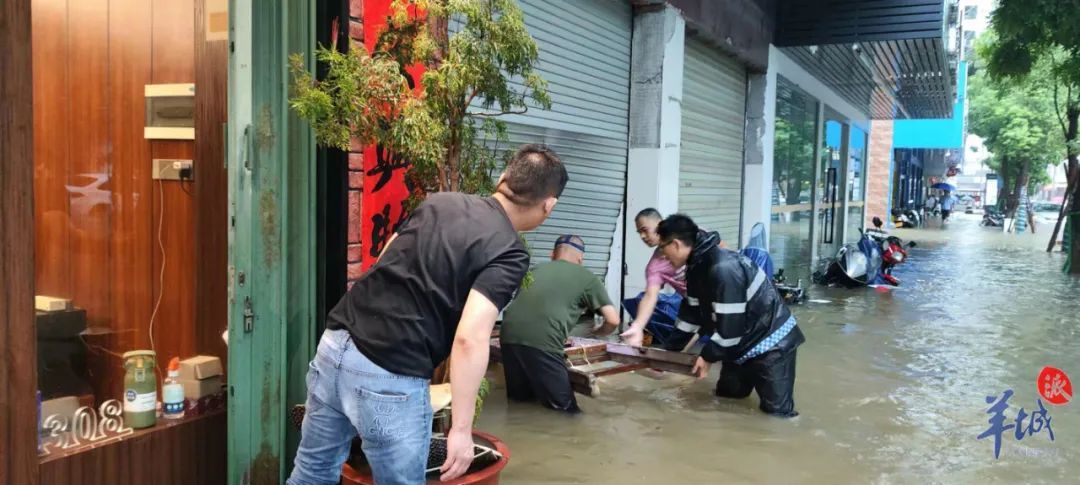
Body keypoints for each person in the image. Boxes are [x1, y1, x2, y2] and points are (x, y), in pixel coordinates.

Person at [288, 144, 568, 485]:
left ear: (502, 178)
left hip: (336, 343)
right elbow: (470, 337)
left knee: (311, 472)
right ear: (549, 205)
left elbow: (387, 256)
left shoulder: (440, 202)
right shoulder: (508, 251)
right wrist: (461, 432)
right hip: (390, 372)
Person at [655, 214, 805, 417]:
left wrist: (707, 356)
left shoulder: (723, 268)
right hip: (738, 346)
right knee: (726, 401)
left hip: (771, 345)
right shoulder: (696, 267)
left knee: (777, 415)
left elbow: (730, 329)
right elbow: (691, 314)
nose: (662, 255)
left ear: (675, 244)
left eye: (662, 247)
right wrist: (667, 353)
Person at [498, 235, 619, 413]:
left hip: (508, 337)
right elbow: (613, 320)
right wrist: (600, 332)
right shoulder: (587, 277)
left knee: (521, 404)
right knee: (566, 413)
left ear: (552, 254)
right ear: (580, 258)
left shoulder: (534, 271)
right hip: (543, 342)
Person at [619, 209, 688, 349]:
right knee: (676, 348)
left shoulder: (690, 235)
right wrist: (637, 326)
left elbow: (723, 250)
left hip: (726, 298)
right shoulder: (655, 266)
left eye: (645, 230)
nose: (643, 236)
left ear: (660, 223)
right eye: (639, 233)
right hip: (696, 307)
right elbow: (650, 296)